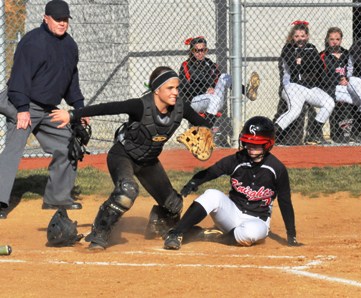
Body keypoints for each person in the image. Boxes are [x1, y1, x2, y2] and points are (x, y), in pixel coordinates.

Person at [50, 66, 213, 250]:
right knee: (127, 191)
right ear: (157, 89)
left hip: (148, 162)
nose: (175, 92)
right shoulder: (140, 106)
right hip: (123, 156)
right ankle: (99, 233)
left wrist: (207, 132)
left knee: (174, 205)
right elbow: (107, 108)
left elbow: (204, 124)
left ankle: (157, 225)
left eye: (177, 88)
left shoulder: (180, 108)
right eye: (170, 88)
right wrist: (72, 114)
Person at [0, 0, 87, 219]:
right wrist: (21, 109)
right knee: (14, 149)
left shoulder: (70, 46)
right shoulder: (33, 42)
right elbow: (19, 77)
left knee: (68, 143)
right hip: (21, 101)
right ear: (45, 18)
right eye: (58, 19)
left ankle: (57, 197)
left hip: (48, 108)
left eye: (65, 20)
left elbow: (71, 83)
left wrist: (79, 109)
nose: (62, 23)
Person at [163, 116, 301, 250]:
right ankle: (176, 233)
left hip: (257, 220)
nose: (251, 146)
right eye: (248, 142)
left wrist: (291, 235)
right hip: (231, 213)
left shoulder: (277, 169)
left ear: (268, 144)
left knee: (250, 233)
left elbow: (285, 202)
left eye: (256, 143)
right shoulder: (237, 159)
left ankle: (215, 237)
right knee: (212, 194)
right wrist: (193, 182)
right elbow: (213, 171)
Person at [274, 21, 335, 145]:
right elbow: (293, 68)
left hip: (309, 87)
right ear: (292, 37)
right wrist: (306, 63)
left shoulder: (311, 47)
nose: (300, 39)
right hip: (292, 86)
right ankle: (271, 135)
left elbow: (318, 66)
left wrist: (302, 62)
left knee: (329, 103)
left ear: (307, 36)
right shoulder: (288, 48)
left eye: (302, 36)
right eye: (296, 36)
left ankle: (313, 135)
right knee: (295, 110)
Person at [179, 36, 260, 125]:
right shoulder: (186, 65)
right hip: (195, 101)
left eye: (203, 50)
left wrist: (212, 88)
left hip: (213, 98)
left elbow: (217, 80)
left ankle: (247, 92)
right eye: (196, 50)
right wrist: (205, 89)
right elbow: (185, 88)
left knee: (224, 77)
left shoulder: (209, 63)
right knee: (212, 98)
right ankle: (207, 127)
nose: (200, 53)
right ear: (191, 51)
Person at [320, 27, 359, 143]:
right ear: (327, 40)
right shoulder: (322, 56)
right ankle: (338, 134)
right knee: (338, 102)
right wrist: (338, 80)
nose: (334, 42)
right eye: (331, 39)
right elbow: (321, 77)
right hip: (330, 87)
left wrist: (348, 79)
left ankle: (351, 133)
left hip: (347, 86)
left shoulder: (348, 54)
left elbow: (355, 70)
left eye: (337, 39)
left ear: (341, 40)